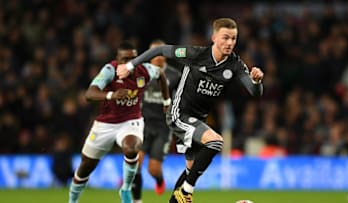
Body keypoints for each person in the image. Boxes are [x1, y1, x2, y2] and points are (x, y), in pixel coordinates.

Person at [117, 18, 264, 203]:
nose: (230, 43)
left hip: (198, 120)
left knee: (191, 169)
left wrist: (257, 82)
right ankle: (186, 191)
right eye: (225, 37)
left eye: (233, 38)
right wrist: (130, 66)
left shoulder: (234, 64)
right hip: (179, 113)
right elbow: (159, 50)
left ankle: (180, 195)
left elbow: (254, 92)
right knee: (216, 142)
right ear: (214, 37)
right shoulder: (195, 54)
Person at [68, 42, 170, 203]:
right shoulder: (109, 70)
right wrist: (111, 95)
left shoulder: (144, 70)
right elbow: (89, 94)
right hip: (105, 125)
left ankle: (126, 189)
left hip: (131, 121)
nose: (129, 63)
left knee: (131, 148)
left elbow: (161, 75)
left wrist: (166, 101)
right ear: (117, 59)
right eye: (125, 59)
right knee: (84, 169)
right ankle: (72, 201)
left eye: (132, 59)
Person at [132, 39, 182, 203]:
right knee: (136, 162)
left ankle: (159, 180)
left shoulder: (175, 75)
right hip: (143, 124)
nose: (157, 57)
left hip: (163, 127)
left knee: (153, 169)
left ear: (165, 55)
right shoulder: (141, 73)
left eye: (160, 53)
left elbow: (182, 100)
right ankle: (136, 197)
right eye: (154, 53)